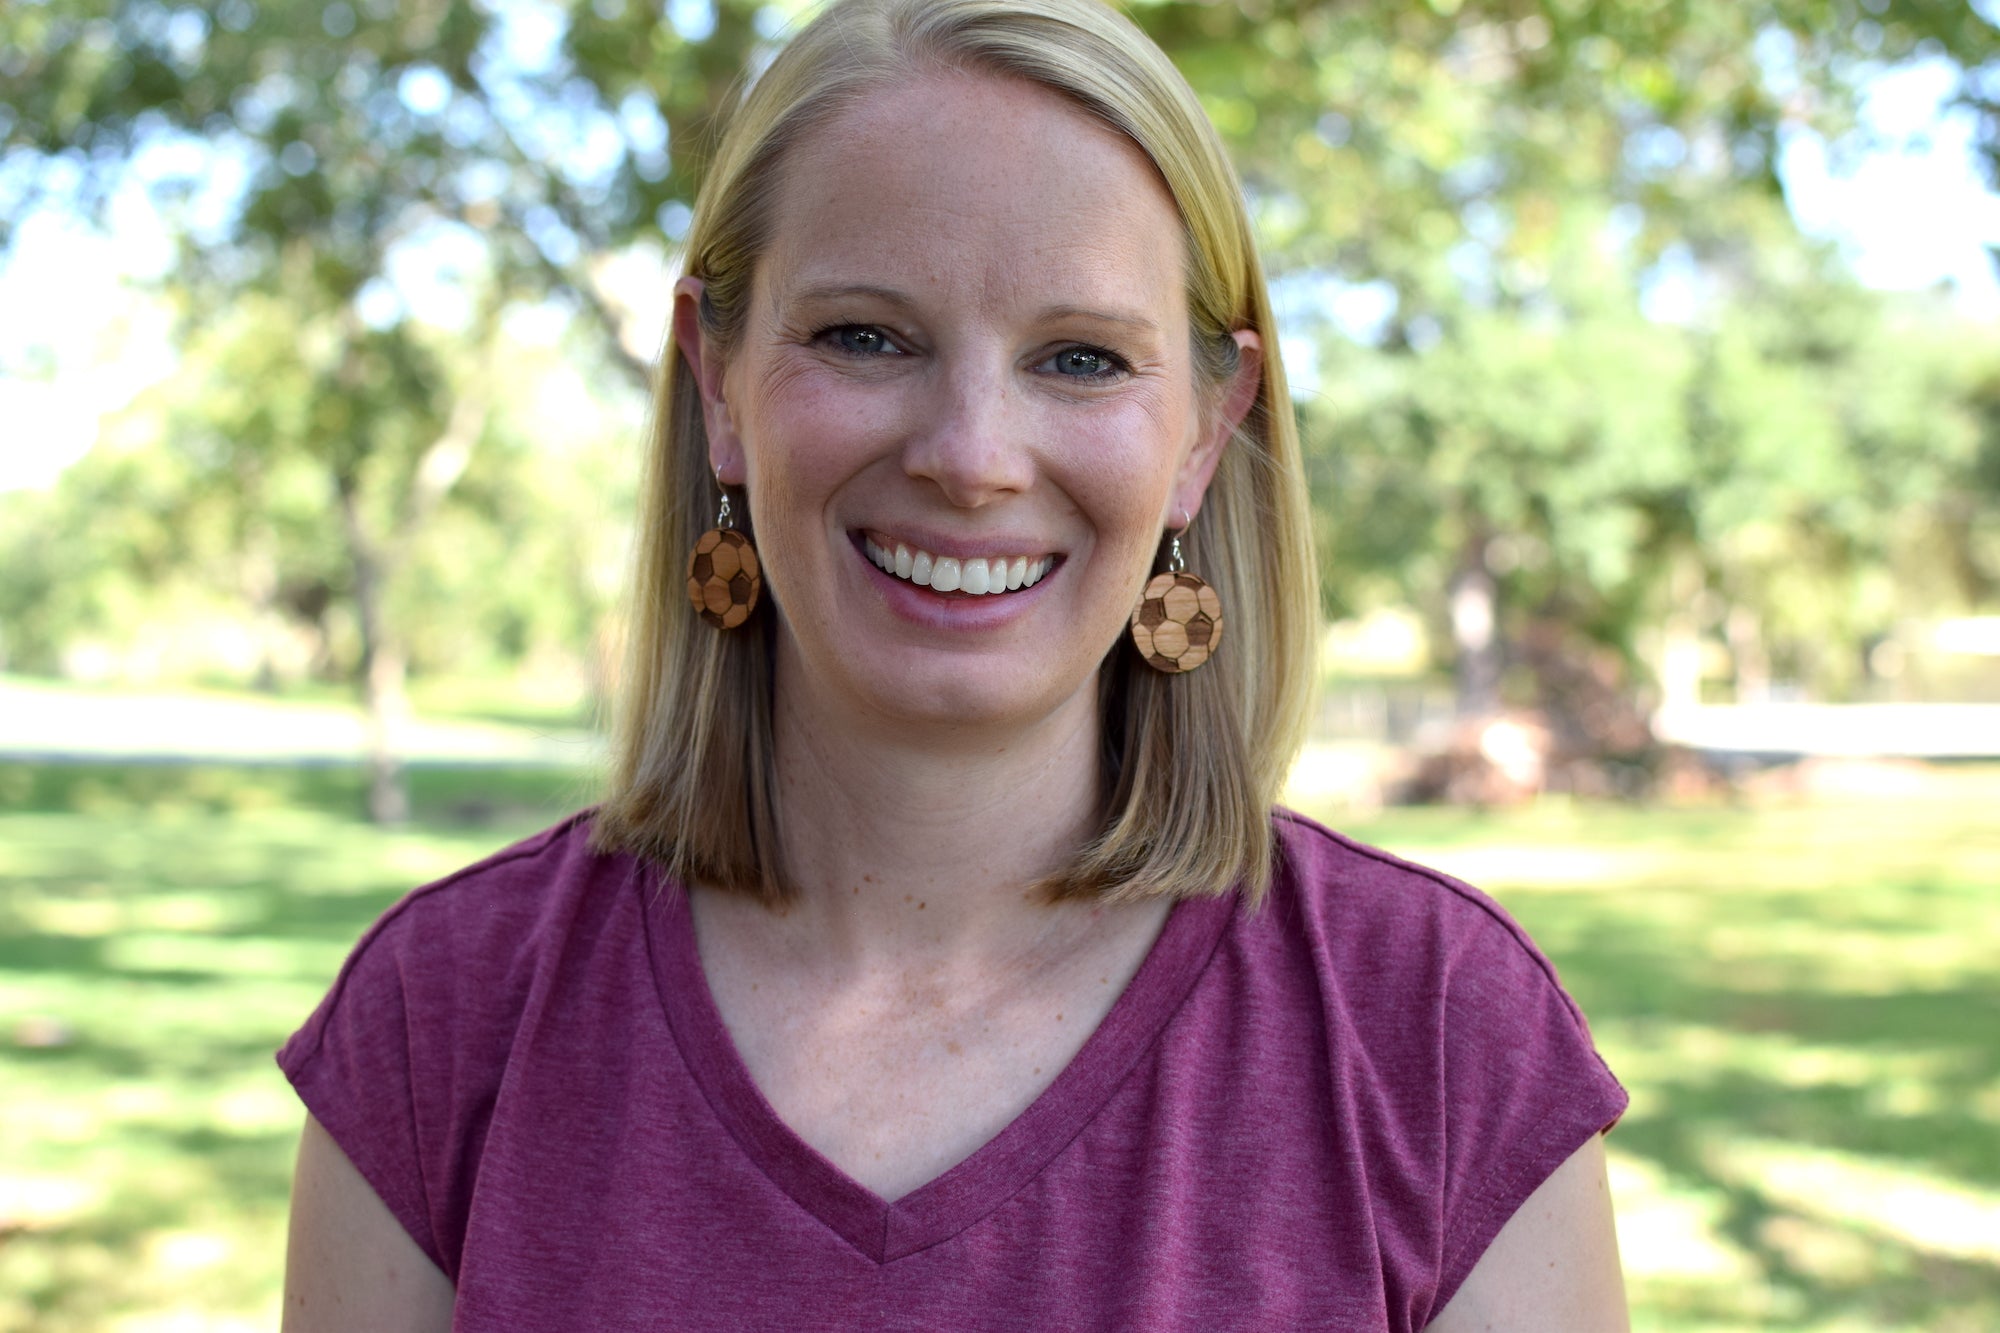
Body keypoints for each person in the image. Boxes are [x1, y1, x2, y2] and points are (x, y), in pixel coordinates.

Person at [278, 0, 1629, 1327]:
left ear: (1205, 432)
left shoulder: (1442, 1040)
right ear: (718, 382)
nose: (972, 456)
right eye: (866, 336)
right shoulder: (440, 1025)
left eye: (1082, 358)